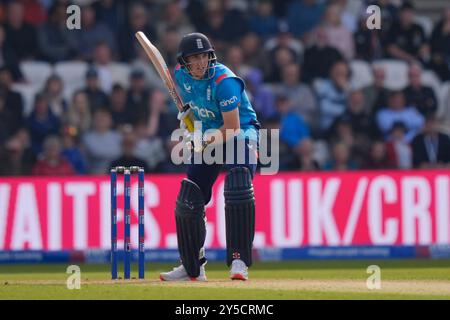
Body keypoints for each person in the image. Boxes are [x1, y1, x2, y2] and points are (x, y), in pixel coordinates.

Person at [159, 33, 260, 282]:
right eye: (194, 58)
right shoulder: (180, 76)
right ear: (184, 61)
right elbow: (195, 105)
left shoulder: (224, 80)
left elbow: (232, 127)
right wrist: (188, 120)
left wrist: (202, 139)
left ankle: (239, 261)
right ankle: (191, 266)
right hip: (209, 133)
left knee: (237, 186)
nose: (201, 62)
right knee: (189, 197)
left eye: (204, 56)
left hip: (240, 133)